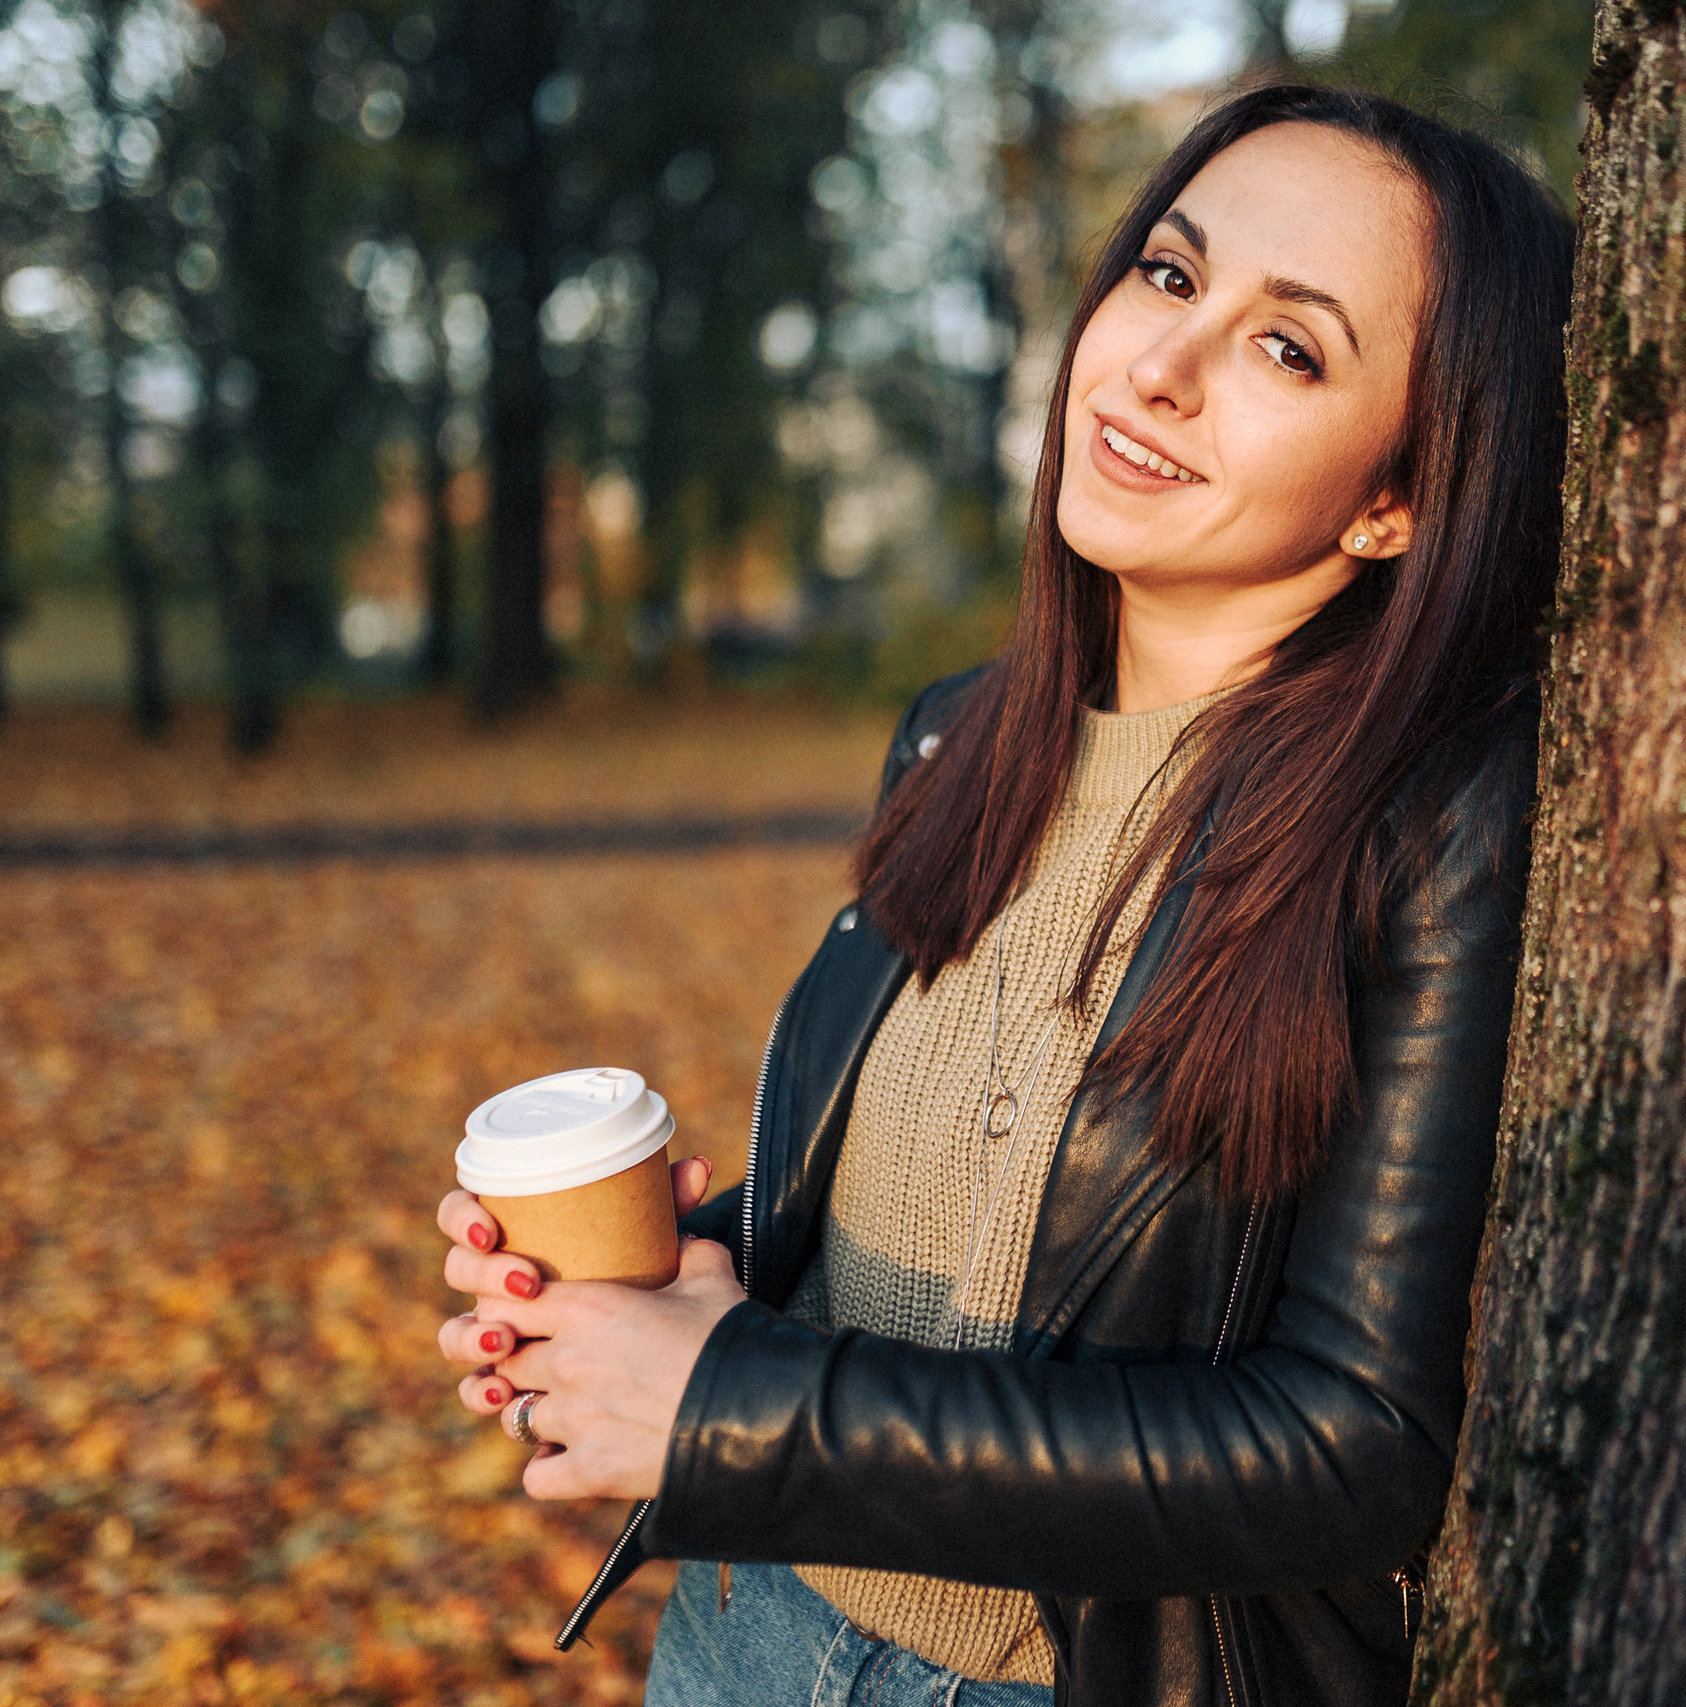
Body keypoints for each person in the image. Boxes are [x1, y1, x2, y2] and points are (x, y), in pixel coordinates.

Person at [432, 82, 1572, 1707]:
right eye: (1171, 278)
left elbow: (1354, 1445)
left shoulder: (1431, 834)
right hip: (744, 1638)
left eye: (1287, 348)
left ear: (1400, 497)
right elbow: (967, 1230)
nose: (1159, 368)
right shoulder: (962, 731)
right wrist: (661, 1287)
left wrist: (739, 1400)